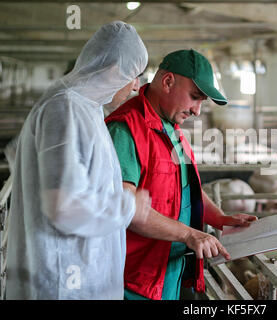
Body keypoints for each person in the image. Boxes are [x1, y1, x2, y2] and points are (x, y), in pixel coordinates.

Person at [5, 21, 152, 299]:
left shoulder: (87, 108)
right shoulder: (65, 108)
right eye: (134, 75)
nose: (136, 87)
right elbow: (63, 207)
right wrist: (126, 206)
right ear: (113, 70)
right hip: (65, 279)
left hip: (83, 274)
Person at [105, 49, 258, 300]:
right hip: (133, 280)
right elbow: (125, 208)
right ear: (167, 82)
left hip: (168, 272)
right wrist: (189, 234)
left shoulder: (172, 130)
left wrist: (219, 218)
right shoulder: (125, 129)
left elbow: (186, 190)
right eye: (195, 97)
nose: (197, 110)